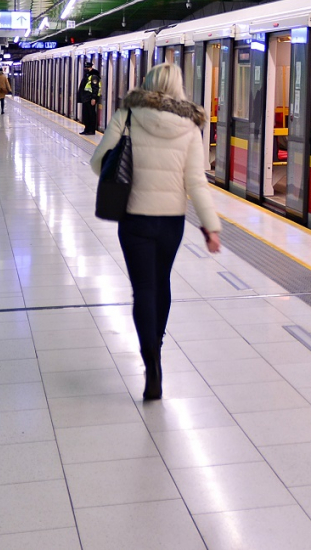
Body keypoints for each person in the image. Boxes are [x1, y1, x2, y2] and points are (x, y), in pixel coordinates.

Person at [89, 63, 221, 400]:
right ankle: (157, 347)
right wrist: (211, 226)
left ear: (148, 83)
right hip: (171, 221)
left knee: (143, 289)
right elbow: (196, 181)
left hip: (134, 218)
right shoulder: (191, 126)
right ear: (179, 87)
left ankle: (152, 365)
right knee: (161, 284)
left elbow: (99, 161)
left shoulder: (129, 114)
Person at [77, 62, 102, 135]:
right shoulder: (87, 75)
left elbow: (95, 88)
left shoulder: (94, 76)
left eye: (87, 68)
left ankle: (91, 130)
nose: (86, 69)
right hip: (86, 98)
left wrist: (94, 98)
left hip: (90, 98)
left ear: (91, 67)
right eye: (85, 67)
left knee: (91, 114)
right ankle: (86, 129)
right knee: (86, 114)